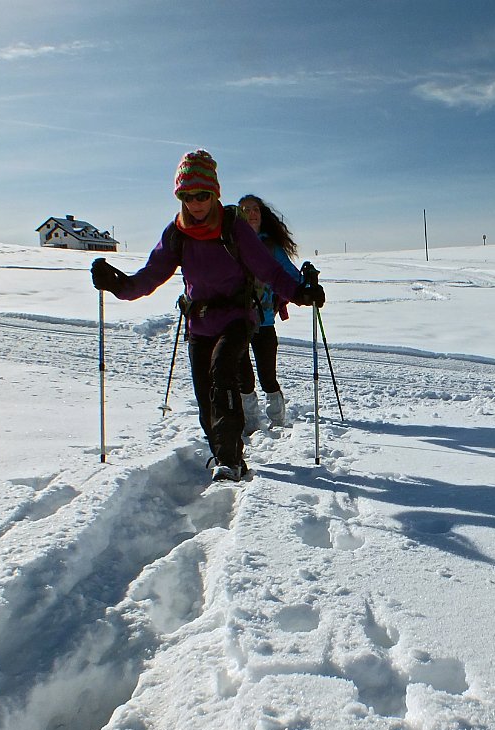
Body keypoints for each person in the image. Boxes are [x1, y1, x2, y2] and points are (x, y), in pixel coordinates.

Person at [90, 150, 324, 481]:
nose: (195, 203)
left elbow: (268, 269)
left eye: (202, 195)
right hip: (199, 323)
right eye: (187, 195)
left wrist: (301, 293)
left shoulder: (234, 227)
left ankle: (231, 459)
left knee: (223, 373)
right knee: (204, 397)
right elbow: (151, 275)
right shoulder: (176, 233)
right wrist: (120, 285)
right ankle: (221, 454)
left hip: (238, 317)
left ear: (214, 193)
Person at [237, 194, 301, 433]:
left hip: (263, 321)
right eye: (245, 210)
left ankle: (277, 421)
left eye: (255, 210)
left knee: (267, 376)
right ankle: (251, 421)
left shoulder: (271, 246)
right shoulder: (232, 243)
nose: (251, 214)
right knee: (243, 377)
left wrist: (306, 286)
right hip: (237, 321)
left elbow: (289, 274)